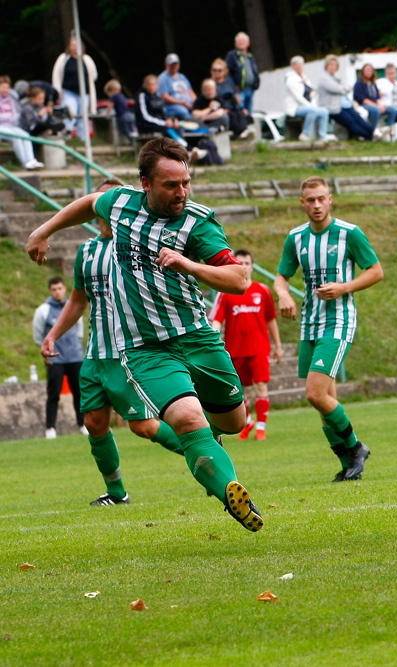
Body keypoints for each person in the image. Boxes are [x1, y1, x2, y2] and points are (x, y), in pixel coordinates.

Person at [26, 138, 265, 532]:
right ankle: (230, 492)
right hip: (145, 348)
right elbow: (89, 202)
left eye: (186, 182)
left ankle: (206, 449)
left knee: (234, 422)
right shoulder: (120, 204)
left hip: (197, 338)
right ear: (145, 184)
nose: (181, 192)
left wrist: (188, 264)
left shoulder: (197, 222)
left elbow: (238, 280)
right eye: (171, 185)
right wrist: (44, 229)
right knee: (187, 420)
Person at [39, 178, 185, 506]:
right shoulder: (86, 250)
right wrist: (52, 335)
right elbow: (78, 301)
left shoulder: (136, 244)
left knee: (144, 426)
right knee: (93, 422)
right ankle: (117, 493)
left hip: (126, 352)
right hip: (94, 354)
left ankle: (203, 449)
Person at [273, 177, 383, 482]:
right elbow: (281, 277)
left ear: (330, 199)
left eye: (321, 199)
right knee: (324, 401)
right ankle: (349, 464)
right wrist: (283, 294)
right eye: (310, 200)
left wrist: (344, 287)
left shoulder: (349, 233)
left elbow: (376, 271)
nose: (316, 205)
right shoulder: (295, 238)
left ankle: (355, 447)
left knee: (314, 393)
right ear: (302, 203)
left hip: (338, 321)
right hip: (309, 323)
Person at [210, 249, 283, 441]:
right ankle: (248, 421)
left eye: (247, 263)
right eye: (239, 263)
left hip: (259, 348)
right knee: (239, 392)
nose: (244, 266)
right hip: (235, 350)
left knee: (261, 387)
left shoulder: (263, 291)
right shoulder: (225, 293)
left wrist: (278, 345)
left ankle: (260, 428)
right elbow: (216, 320)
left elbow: (271, 320)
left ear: (252, 267)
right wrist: (212, 341)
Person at [33, 276, 86, 439]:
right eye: (54, 289)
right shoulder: (43, 310)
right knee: (53, 393)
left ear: (65, 288)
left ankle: (82, 424)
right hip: (55, 358)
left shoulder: (74, 307)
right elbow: (38, 335)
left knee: (79, 392)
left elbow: (79, 331)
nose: (57, 292)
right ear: (50, 291)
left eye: (60, 288)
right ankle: (50, 428)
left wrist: (76, 349)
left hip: (74, 357)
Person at [316, 55, 379, 141]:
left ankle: (375, 132)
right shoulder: (324, 79)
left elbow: (348, 87)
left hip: (345, 105)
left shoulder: (337, 78)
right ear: (326, 66)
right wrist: (341, 88)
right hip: (333, 108)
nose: (333, 67)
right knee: (351, 122)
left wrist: (342, 88)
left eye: (334, 65)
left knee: (358, 119)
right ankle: (370, 136)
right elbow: (339, 89)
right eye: (331, 65)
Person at [51, 35, 98, 138]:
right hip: (68, 91)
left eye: (76, 45)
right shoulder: (64, 58)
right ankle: (67, 133)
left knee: (83, 116)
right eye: (72, 45)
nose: (74, 47)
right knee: (70, 112)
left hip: (84, 93)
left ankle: (83, 138)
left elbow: (93, 75)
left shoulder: (86, 59)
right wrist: (57, 90)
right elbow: (56, 75)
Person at [284, 56, 332, 143]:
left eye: (301, 65)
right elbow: (298, 97)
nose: (299, 67)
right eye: (297, 65)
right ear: (293, 67)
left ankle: (322, 135)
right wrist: (311, 106)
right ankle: (305, 134)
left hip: (308, 106)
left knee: (324, 111)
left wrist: (313, 105)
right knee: (313, 111)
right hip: (296, 108)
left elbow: (311, 93)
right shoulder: (290, 79)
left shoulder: (305, 78)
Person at [0, 76, 44, 170]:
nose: (5, 90)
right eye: (3, 87)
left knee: (25, 135)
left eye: (7, 87)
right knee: (17, 138)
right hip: (1, 127)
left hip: (11, 126)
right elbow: (8, 116)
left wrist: (7, 117)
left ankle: (31, 160)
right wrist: (8, 116)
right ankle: (25, 163)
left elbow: (16, 114)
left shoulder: (11, 99)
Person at [136, 74, 187, 145]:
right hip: (146, 125)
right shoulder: (142, 95)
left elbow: (163, 112)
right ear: (145, 85)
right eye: (149, 84)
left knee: (175, 127)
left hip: (160, 124)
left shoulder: (158, 96)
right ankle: (185, 149)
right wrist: (164, 123)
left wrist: (168, 120)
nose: (151, 87)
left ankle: (186, 149)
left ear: (157, 86)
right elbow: (144, 117)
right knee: (168, 130)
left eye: (153, 84)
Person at [209, 59, 250, 138]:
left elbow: (235, 95)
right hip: (220, 106)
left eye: (219, 70)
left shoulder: (229, 81)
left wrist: (241, 107)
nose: (216, 72)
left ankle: (242, 131)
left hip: (231, 105)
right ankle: (239, 132)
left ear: (224, 71)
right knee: (231, 115)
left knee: (241, 113)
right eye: (214, 70)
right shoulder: (211, 84)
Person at [225, 32, 260, 115]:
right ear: (235, 43)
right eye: (239, 41)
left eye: (243, 40)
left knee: (249, 113)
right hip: (239, 91)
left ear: (248, 43)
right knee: (240, 113)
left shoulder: (250, 57)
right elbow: (227, 73)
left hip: (250, 89)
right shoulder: (232, 55)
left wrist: (255, 85)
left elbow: (254, 72)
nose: (241, 42)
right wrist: (233, 88)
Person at [157, 54, 195, 121]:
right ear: (166, 65)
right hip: (171, 106)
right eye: (171, 64)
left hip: (188, 104)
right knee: (183, 111)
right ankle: (193, 126)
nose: (174, 66)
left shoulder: (182, 77)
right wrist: (182, 103)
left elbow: (191, 91)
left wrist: (195, 102)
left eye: (175, 64)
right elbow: (164, 97)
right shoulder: (162, 78)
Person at [353, 63, 383, 132]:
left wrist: (381, 105)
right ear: (363, 71)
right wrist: (376, 106)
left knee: (391, 110)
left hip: (374, 105)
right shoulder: (359, 83)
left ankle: (388, 131)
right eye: (367, 70)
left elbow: (377, 97)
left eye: (370, 70)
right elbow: (362, 99)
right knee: (375, 110)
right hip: (362, 105)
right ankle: (371, 131)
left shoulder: (373, 83)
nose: (369, 72)